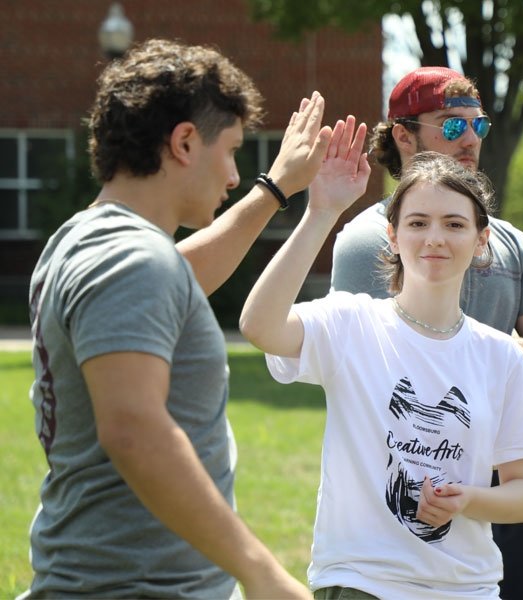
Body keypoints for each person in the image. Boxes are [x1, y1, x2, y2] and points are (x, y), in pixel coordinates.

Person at [22, 38, 334, 599]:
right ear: (185, 142)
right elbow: (135, 431)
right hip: (140, 587)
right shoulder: (132, 260)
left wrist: (277, 188)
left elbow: (179, 279)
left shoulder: (85, 240)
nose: (236, 175)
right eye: (233, 151)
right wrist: (260, 571)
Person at [239, 127, 523, 599]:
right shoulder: (351, 323)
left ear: (481, 240)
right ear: (393, 235)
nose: (435, 238)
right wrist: (321, 213)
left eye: (455, 224)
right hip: (364, 583)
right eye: (418, 222)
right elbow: (259, 325)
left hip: (468, 589)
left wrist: (468, 499)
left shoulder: (500, 354)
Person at [330, 66, 523, 600]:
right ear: (403, 135)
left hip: (509, 481)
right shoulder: (368, 241)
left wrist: (474, 357)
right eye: (451, 127)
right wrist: (486, 362)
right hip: (410, 480)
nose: (471, 139)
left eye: (478, 126)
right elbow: (367, 368)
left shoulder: (515, 245)